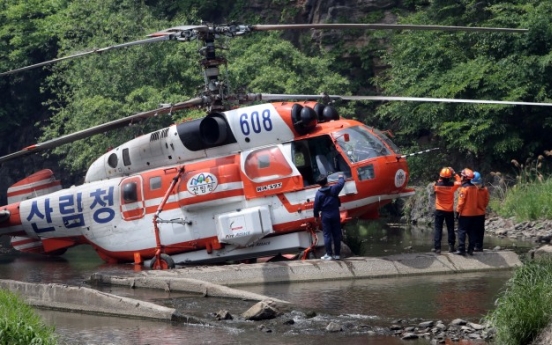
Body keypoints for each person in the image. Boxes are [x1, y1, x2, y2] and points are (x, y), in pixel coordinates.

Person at [313, 173, 345, 260]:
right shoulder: (334, 189)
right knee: (336, 234)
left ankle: (329, 254)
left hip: (325, 215)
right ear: (327, 181)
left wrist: (316, 216)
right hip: (335, 213)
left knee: (327, 235)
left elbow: (316, 206)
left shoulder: (318, 194)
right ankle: (337, 254)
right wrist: (341, 177)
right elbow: (341, 183)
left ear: (319, 184)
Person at [432, 167, 461, 254]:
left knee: (438, 228)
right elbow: (459, 182)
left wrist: (441, 178)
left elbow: (438, 181)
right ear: (449, 177)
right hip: (449, 210)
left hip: (439, 209)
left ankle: (437, 248)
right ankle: (451, 246)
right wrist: (454, 173)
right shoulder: (452, 186)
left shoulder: (436, 186)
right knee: (450, 228)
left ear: (441, 176)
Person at [455, 168, 479, 255]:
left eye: (462, 176)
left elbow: (461, 202)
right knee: (472, 231)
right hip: (474, 213)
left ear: (465, 177)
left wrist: (457, 212)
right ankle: (471, 249)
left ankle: (461, 249)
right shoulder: (475, 188)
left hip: (465, 214)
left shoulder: (464, 189)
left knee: (462, 231)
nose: (461, 177)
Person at [472, 171, 489, 251]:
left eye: (476, 184)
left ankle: (477, 245)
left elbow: (486, 200)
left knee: (477, 230)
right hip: (480, 212)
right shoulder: (485, 189)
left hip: (476, 213)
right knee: (479, 230)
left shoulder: (473, 190)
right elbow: (486, 201)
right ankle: (479, 246)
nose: (476, 185)